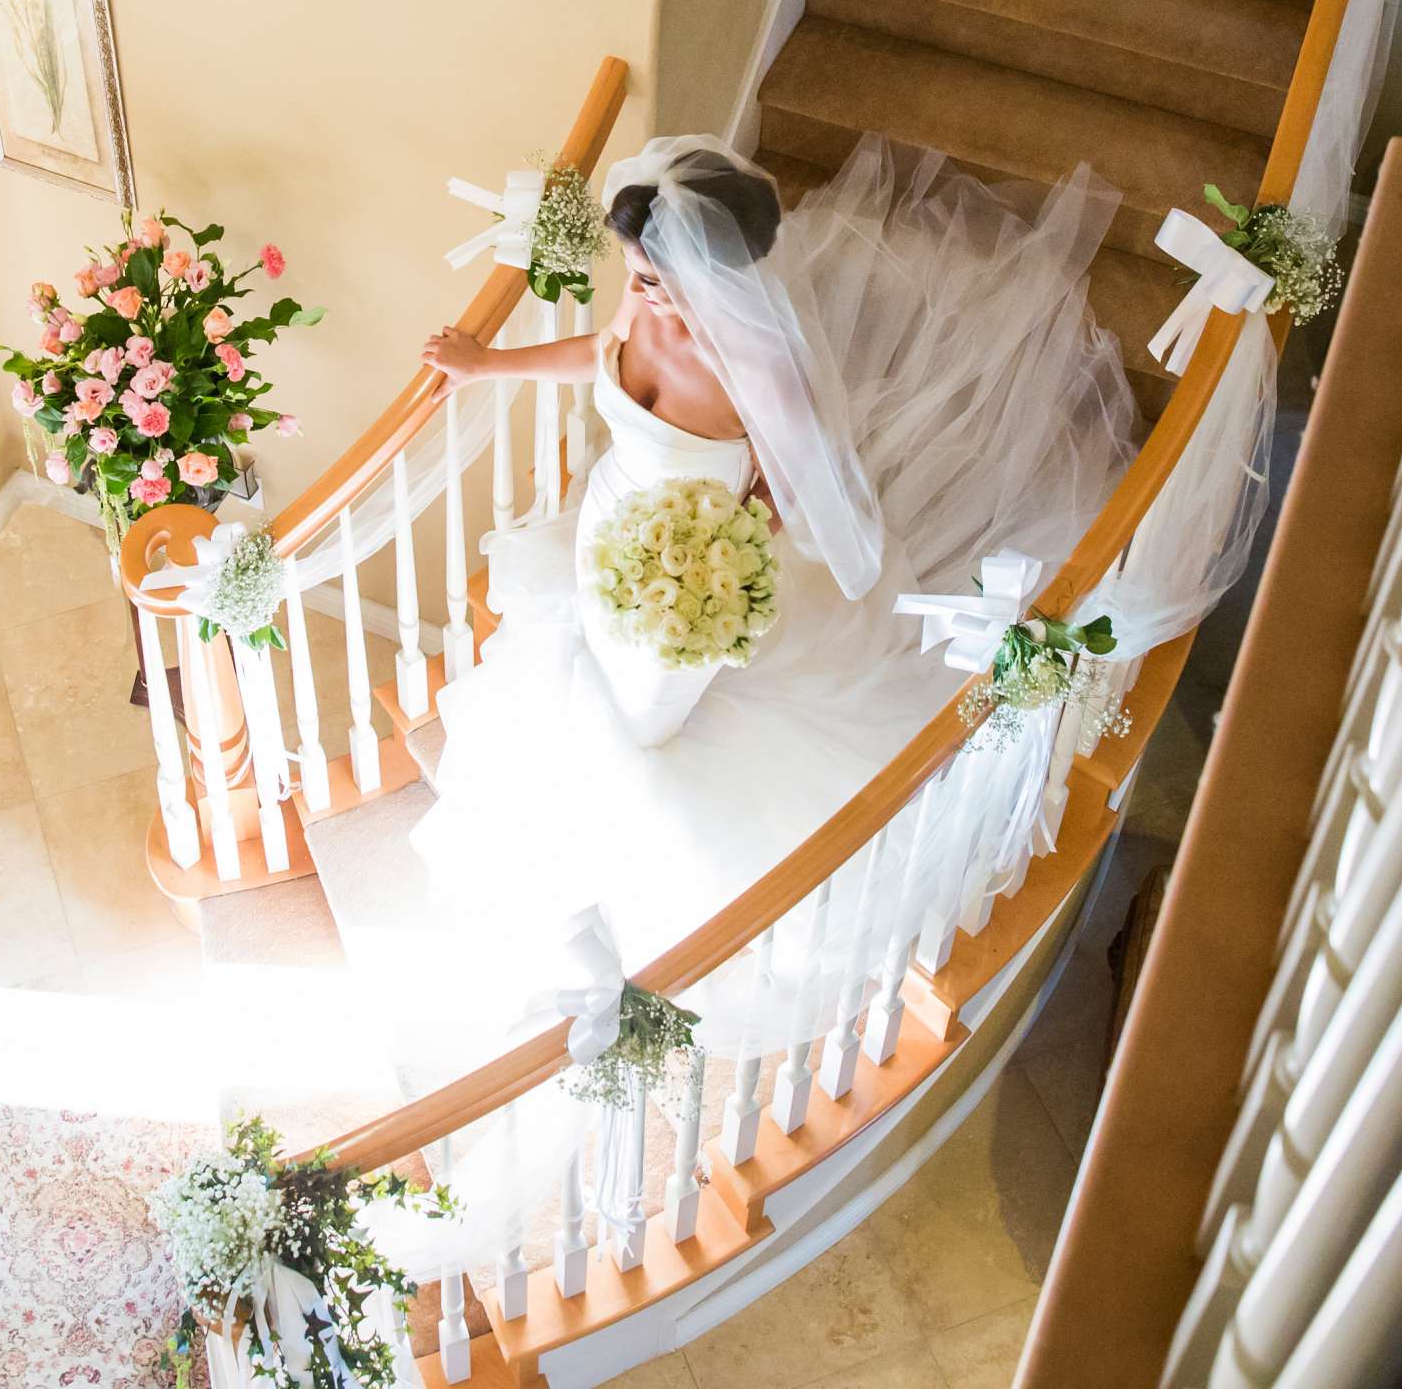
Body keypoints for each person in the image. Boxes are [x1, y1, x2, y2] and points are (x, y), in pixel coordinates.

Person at [393, 136, 1137, 1076]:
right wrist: (486, 364)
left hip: (695, 582)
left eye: (658, 276)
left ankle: (617, 908)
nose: (643, 290)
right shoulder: (644, 299)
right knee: (581, 677)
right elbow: (603, 352)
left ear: (714, 269)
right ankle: (567, 864)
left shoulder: (758, 362)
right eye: (635, 271)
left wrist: (737, 554)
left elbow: (805, 482)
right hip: (614, 527)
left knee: (643, 726)